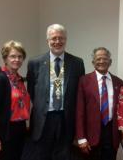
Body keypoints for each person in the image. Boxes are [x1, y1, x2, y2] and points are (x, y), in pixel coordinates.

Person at [22, 24, 85, 160]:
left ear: (66, 40)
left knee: (64, 155)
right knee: (41, 154)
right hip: (43, 118)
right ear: (47, 41)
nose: (57, 42)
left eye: (61, 38)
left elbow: (79, 93)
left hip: (66, 118)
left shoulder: (77, 63)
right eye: (54, 38)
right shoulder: (35, 62)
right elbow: (31, 91)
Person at [76, 47, 123, 160]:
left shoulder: (118, 82)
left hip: (111, 133)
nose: (101, 61)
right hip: (90, 135)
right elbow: (79, 111)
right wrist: (81, 137)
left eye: (105, 59)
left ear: (110, 62)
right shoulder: (84, 81)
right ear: (93, 62)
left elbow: (121, 110)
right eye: (98, 59)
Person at [0, 40, 30, 160]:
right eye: (12, 56)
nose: (16, 59)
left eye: (20, 56)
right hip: (5, 131)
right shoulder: (0, 79)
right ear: (5, 58)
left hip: (20, 128)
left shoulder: (19, 80)